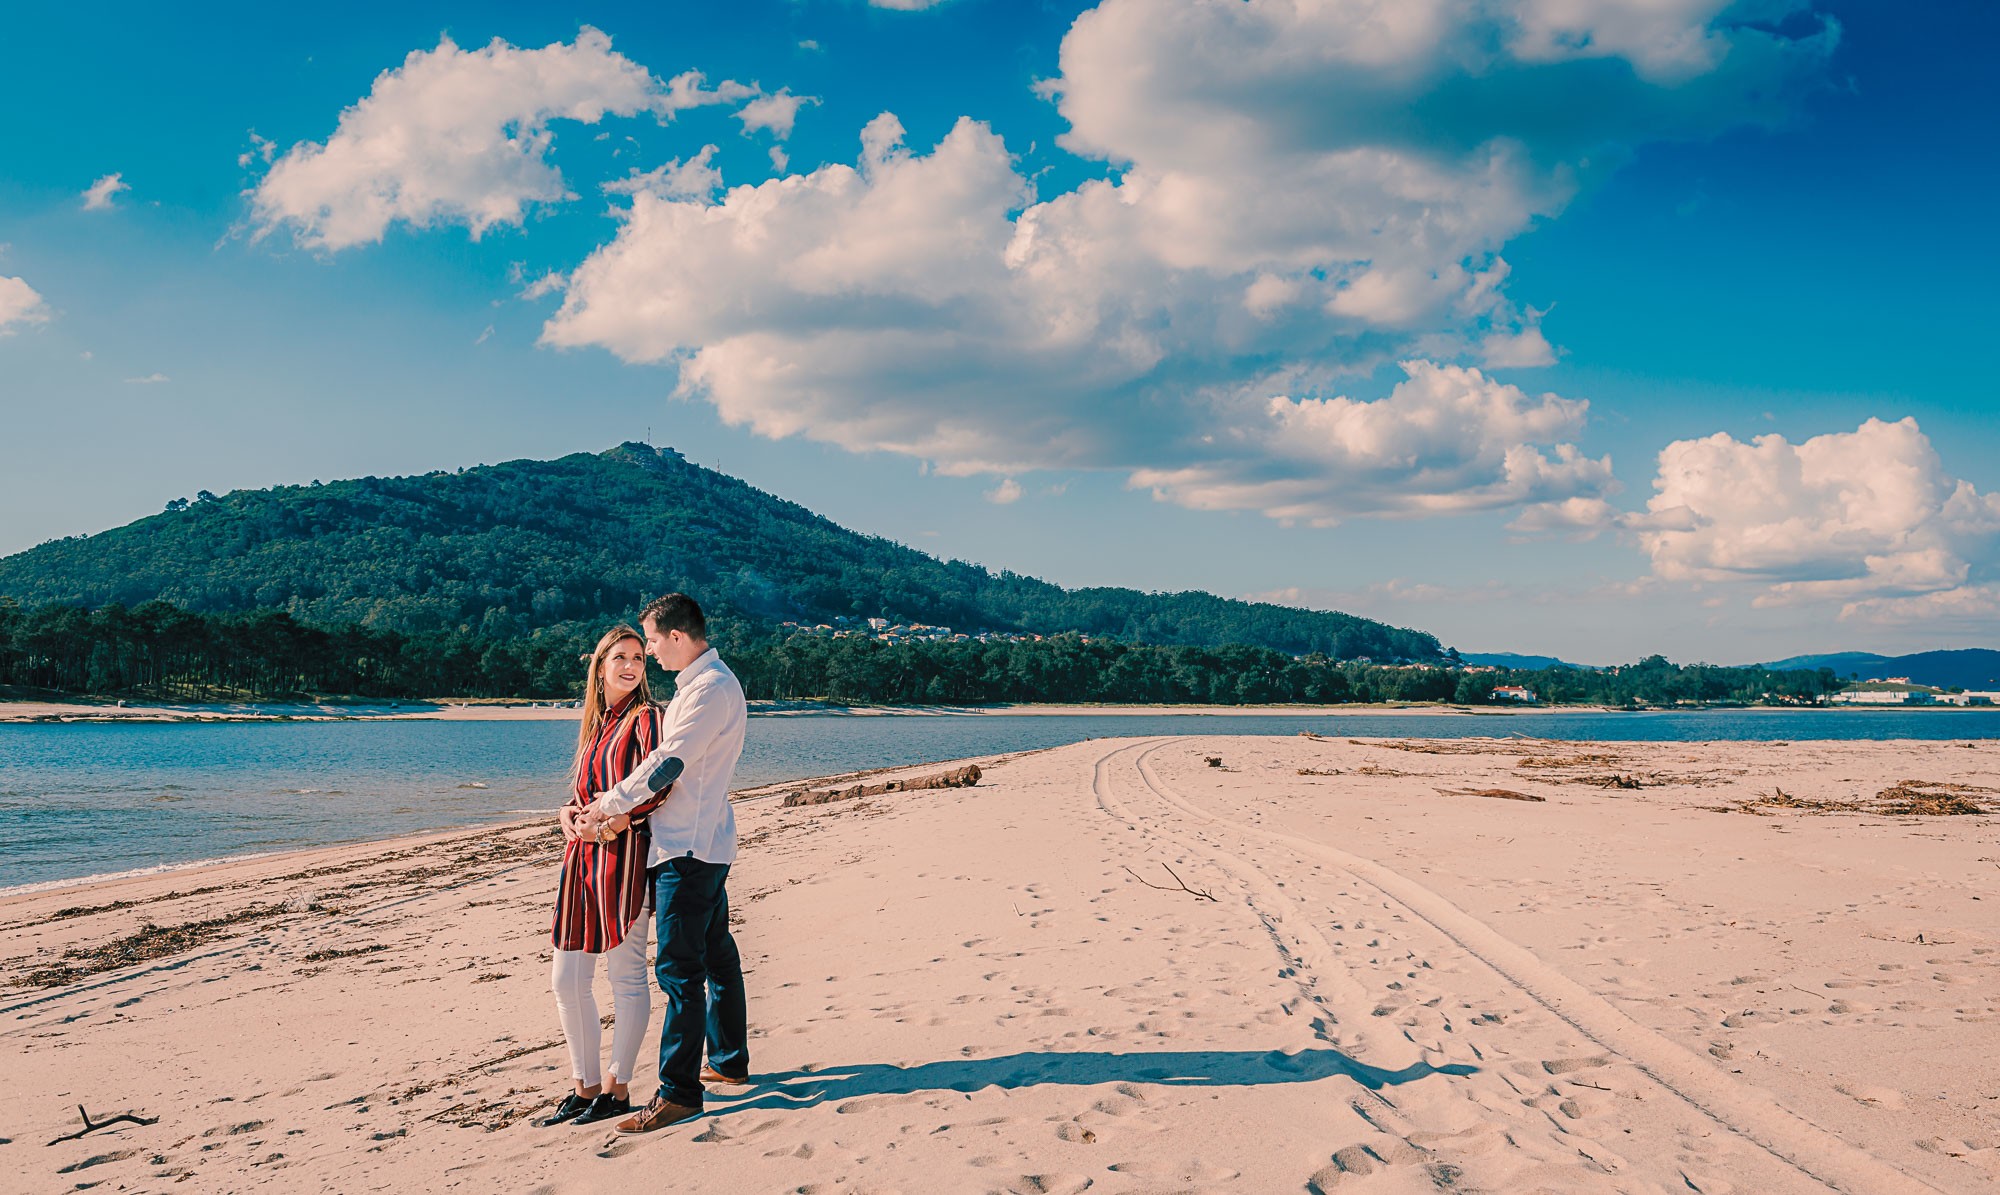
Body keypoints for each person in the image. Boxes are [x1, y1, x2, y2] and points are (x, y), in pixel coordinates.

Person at [579, 592, 749, 1134]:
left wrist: (608, 803)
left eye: (651, 641)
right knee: (717, 953)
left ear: (677, 636)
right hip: (703, 842)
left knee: (679, 969)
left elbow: (667, 763)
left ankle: (679, 1093)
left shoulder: (709, 691)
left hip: (688, 849)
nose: (648, 652)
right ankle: (728, 1059)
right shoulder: (704, 685)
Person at [539, 626, 669, 1128]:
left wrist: (619, 821)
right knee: (567, 978)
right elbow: (583, 793)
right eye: (620, 657)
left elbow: (661, 781)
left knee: (626, 976)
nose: (632, 666)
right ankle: (584, 1086)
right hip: (581, 862)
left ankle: (616, 1089)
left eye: (639, 657)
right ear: (600, 666)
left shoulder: (647, 718)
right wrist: (568, 816)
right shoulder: (595, 727)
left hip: (623, 859)